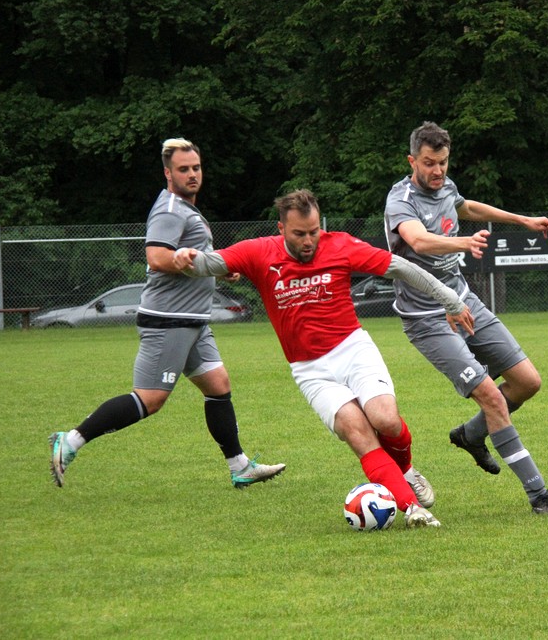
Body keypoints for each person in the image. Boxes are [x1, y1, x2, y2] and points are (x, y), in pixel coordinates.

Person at [174, 189, 474, 528]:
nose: (308, 241)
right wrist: (186, 256)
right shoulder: (258, 252)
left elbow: (402, 267)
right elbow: (206, 264)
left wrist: (450, 300)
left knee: (386, 420)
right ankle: (413, 509)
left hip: (353, 350)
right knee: (358, 432)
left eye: (314, 231)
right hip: (310, 369)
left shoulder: (340, 245)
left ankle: (405, 470)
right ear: (281, 229)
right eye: (299, 234)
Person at [48, 138, 284, 489]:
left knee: (218, 386)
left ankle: (240, 467)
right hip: (169, 320)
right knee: (150, 399)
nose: (192, 174)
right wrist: (177, 259)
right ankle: (70, 441)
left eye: (196, 168)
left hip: (192, 320)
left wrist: (217, 270)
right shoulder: (170, 210)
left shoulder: (186, 210)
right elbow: (157, 257)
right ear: (168, 173)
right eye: (183, 169)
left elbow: (190, 258)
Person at [383, 121, 548, 516]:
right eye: (429, 163)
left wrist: (523, 220)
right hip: (427, 318)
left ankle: (471, 436)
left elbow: (465, 207)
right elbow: (418, 240)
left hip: (465, 302)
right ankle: (540, 496)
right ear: (412, 161)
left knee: (527, 382)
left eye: (443, 162)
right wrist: (463, 242)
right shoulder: (401, 199)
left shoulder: (445, 187)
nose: (438, 171)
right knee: (491, 397)